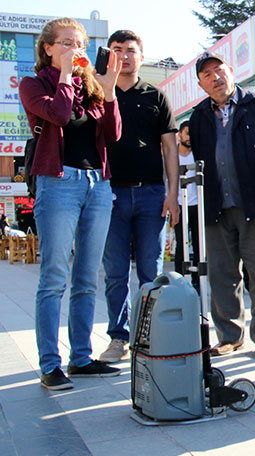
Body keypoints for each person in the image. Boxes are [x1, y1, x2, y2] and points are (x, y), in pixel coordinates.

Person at [19, 17, 123, 390]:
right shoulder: (34, 85)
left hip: (97, 184)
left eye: (78, 43)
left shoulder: (90, 87)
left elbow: (112, 134)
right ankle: (51, 365)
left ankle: (80, 358)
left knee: (86, 279)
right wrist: (65, 75)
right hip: (58, 181)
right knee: (54, 279)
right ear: (47, 48)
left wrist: (109, 92)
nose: (74, 50)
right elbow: (59, 115)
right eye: (65, 43)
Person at [189, 52, 255, 357]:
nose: (215, 77)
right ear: (201, 84)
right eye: (207, 75)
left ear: (231, 71)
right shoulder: (198, 116)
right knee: (221, 274)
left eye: (219, 70)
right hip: (216, 206)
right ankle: (230, 336)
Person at [99, 30, 180, 364]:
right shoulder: (99, 94)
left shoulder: (156, 96)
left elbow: (170, 149)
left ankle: (149, 336)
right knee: (115, 272)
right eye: (117, 50)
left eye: (131, 50)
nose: (124, 56)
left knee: (151, 270)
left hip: (151, 195)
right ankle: (118, 338)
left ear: (141, 57)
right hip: (110, 195)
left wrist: (172, 194)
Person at [174, 120, 200, 291]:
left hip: (197, 205)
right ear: (180, 135)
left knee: (198, 245)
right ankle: (179, 281)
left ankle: (198, 283)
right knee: (181, 245)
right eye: (187, 133)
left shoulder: (198, 155)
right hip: (179, 205)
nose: (190, 137)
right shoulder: (172, 155)